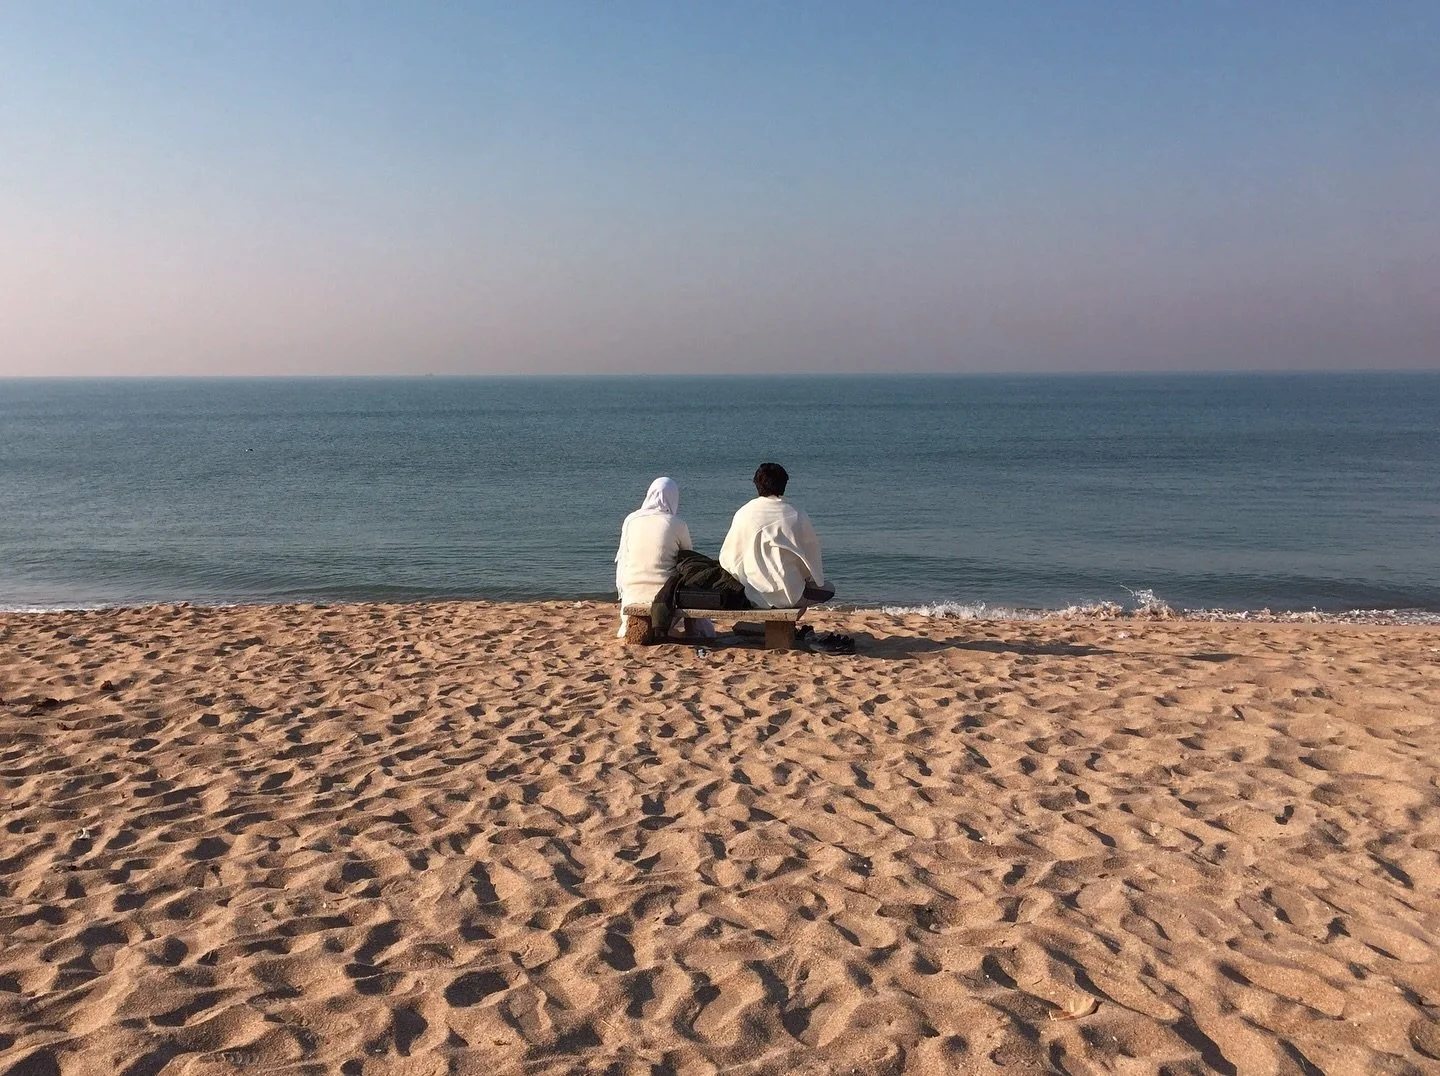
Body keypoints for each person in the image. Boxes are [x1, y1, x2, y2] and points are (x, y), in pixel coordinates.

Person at [719, 462, 835, 612]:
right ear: (784, 485)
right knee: (829, 588)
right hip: (793, 594)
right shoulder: (796, 513)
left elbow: (728, 558)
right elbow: (811, 558)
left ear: (756, 485)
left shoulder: (744, 513)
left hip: (754, 594)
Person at [614, 477, 693, 638]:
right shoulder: (677, 524)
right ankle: (695, 629)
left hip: (632, 594)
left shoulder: (631, 520)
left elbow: (623, 558)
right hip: (666, 599)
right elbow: (689, 558)